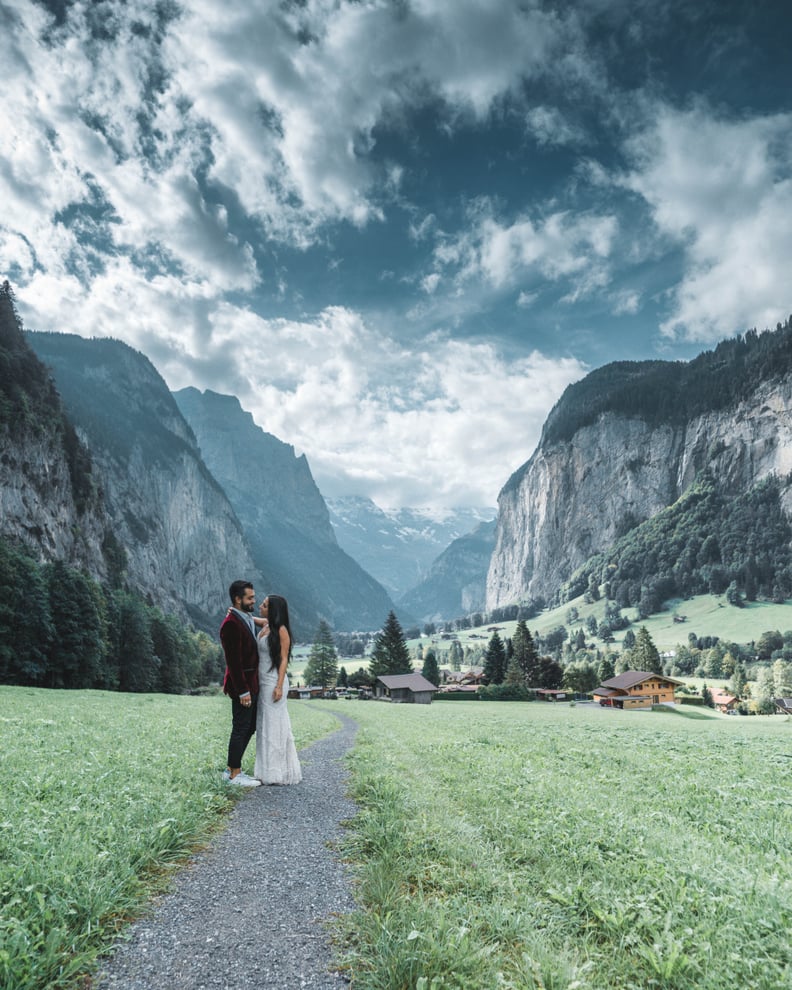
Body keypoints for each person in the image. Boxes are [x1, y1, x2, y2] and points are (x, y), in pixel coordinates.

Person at [253, 594, 302, 785]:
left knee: (274, 726)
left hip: (274, 681)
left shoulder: (281, 630)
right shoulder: (267, 625)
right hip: (263, 680)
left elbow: (283, 660)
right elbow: (253, 619)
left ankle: (277, 772)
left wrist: (279, 686)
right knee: (264, 724)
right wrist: (237, 613)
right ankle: (265, 769)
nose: (260, 606)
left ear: (272, 610)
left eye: (264, 605)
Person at [220, 580, 262, 787]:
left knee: (250, 725)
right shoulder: (231, 624)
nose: (254, 600)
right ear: (238, 599)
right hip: (242, 686)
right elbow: (233, 662)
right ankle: (234, 774)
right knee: (241, 727)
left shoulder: (244, 618)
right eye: (250, 597)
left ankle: (231, 769)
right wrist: (243, 691)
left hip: (250, 684)